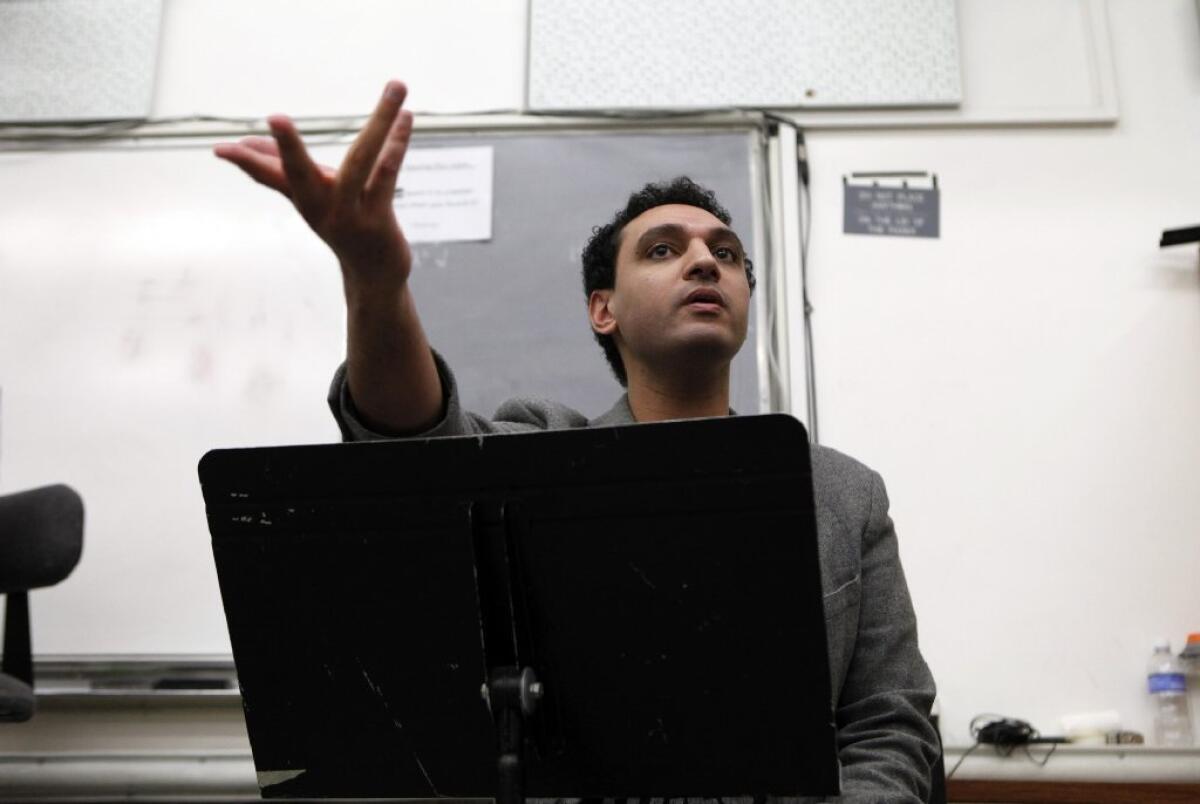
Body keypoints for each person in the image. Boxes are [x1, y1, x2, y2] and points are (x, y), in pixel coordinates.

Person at [215, 80, 940, 803]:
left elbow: (889, 724)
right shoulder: (542, 451)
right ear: (604, 310)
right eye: (663, 250)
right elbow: (410, 444)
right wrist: (374, 275)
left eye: (726, 253)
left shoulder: (845, 494)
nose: (704, 262)